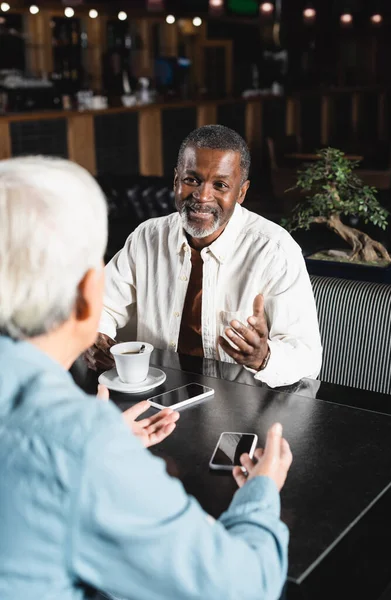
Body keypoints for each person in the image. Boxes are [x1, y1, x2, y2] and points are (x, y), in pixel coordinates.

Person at [0, 156, 293, 600]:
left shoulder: (274, 247)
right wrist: (262, 490)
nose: (202, 195)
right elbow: (244, 587)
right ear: (87, 296)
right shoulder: (81, 448)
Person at [87, 125, 322, 388]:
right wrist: (95, 336)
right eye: (192, 180)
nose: (202, 196)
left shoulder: (274, 250)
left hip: (243, 407)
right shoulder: (147, 238)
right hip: (159, 398)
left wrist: (263, 357)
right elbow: (100, 306)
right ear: (176, 180)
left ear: (241, 193)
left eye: (220, 185)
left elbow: (307, 358)